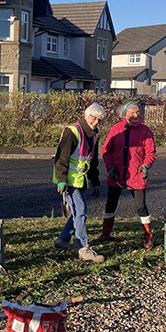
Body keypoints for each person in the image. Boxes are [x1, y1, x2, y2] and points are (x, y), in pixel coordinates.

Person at [94, 102, 157, 249]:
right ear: (124, 114)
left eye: (138, 113)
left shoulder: (146, 131)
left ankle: (148, 236)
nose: (136, 115)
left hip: (137, 174)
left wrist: (146, 165)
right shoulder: (116, 129)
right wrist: (110, 168)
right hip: (117, 174)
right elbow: (106, 151)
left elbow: (150, 153)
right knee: (110, 205)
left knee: (141, 206)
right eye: (133, 112)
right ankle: (105, 233)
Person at [53, 103, 106, 263]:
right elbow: (61, 158)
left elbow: (92, 162)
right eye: (93, 117)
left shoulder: (94, 135)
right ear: (85, 115)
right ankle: (83, 249)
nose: (96, 122)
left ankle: (62, 241)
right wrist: (62, 181)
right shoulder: (72, 132)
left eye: (99, 120)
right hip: (68, 181)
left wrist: (95, 182)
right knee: (80, 211)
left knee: (79, 213)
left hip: (79, 180)